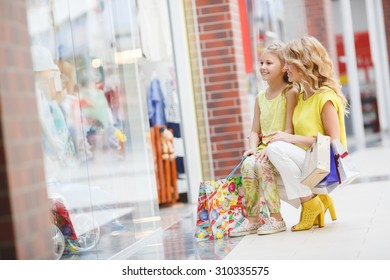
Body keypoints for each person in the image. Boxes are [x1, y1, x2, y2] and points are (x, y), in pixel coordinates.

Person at [265, 35, 349, 231]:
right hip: (309, 161)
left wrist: (289, 138)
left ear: (303, 64)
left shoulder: (325, 97)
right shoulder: (301, 96)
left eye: (288, 64)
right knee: (266, 171)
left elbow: (332, 141)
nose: (285, 69)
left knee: (277, 149)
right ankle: (319, 198)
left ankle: (309, 204)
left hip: (325, 164)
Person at [230, 41, 298, 237]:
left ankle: (276, 219)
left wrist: (270, 150)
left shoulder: (290, 93)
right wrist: (252, 148)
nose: (262, 67)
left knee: (261, 166)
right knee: (248, 164)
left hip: (280, 149)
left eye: (269, 63)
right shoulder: (260, 97)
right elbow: (254, 131)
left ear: (284, 66)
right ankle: (253, 219)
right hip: (262, 149)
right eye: (261, 63)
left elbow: (288, 130)